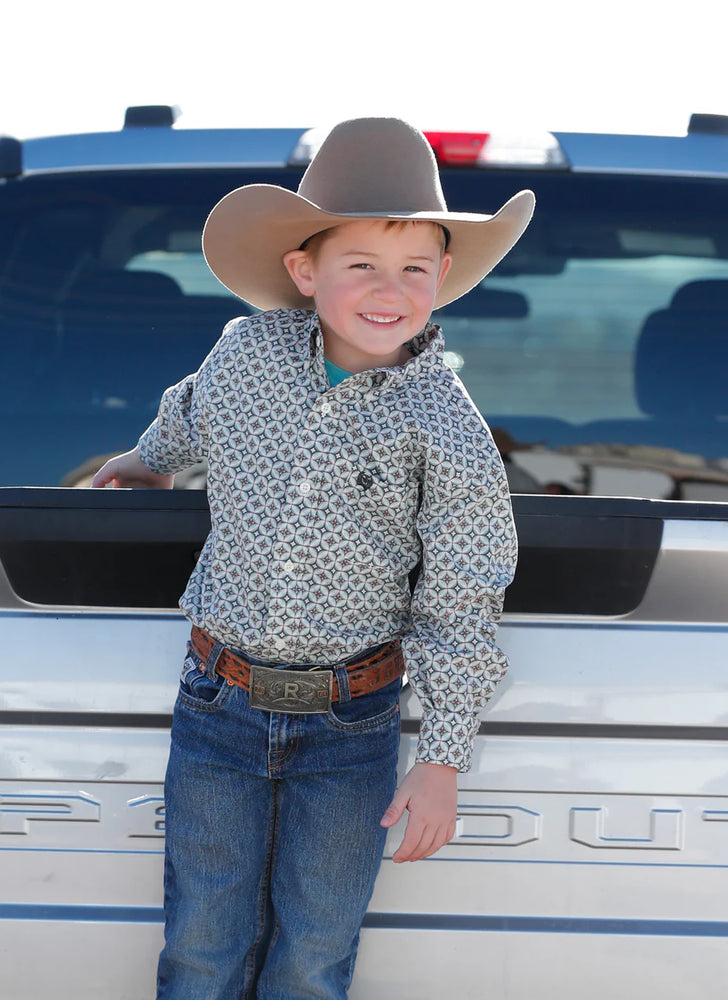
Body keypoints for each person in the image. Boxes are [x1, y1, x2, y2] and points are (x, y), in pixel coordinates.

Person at [92, 117, 534, 1000]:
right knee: (202, 950)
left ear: (443, 277)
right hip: (217, 704)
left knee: (312, 958)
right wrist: (141, 463)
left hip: (351, 727)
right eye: (360, 264)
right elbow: (188, 418)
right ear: (305, 270)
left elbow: (462, 594)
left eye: (414, 267)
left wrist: (442, 758)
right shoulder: (245, 353)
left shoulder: (447, 427)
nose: (389, 289)